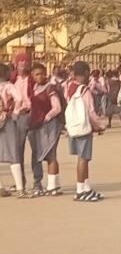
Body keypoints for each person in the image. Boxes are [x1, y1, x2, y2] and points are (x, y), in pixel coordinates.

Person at [66, 61, 105, 202]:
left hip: (74, 126)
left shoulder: (70, 87)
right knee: (83, 159)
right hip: (84, 127)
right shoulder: (85, 90)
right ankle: (80, 189)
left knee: (82, 159)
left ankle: (86, 187)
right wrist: (99, 126)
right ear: (87, 72)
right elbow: (91, 112)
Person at [29, 63, 63, 197]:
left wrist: (45, 118)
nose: (40, 76)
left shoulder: (50, 88)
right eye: (37, 74)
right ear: (32, 76)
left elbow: (57, 108)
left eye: (42, 73)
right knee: (37, 155)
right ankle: (38, 183)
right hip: (35, 126)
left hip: (49, 125)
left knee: (51, 155)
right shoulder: (34, 88)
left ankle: (53, 186)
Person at [13, 52, 43, 196]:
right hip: (17, 116)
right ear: (16, 64)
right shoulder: (12, 80)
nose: (24, 64)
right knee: (17, 151)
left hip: (32, 115)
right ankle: (20, 182)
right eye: (21, 62)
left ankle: (37, 182)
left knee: (36, 150)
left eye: (26, 62)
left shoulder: (33, 79)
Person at [0, 64, 25, 197]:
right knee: (13, 154)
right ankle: (20, 189)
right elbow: (19, 98)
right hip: (7, 121)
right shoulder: (8, 86)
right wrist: (15, 113)